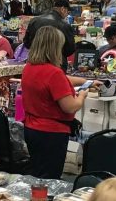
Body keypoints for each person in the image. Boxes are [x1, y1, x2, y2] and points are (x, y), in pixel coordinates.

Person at [21, 26, 88, 178]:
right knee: (50, 178)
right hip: (51, 133)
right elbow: (70, 107)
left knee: (38, 174)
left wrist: (86, 81)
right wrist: (82, 96)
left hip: (32, 129)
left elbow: (59, 80)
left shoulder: (29, 67)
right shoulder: (54, 72)